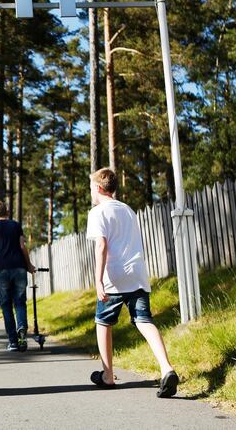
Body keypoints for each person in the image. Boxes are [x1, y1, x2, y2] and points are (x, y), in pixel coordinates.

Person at [85, 167, 178, 398]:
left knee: (103, 322)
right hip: (137, 274)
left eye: (91, 189)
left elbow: (101, 246)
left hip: (113, 276)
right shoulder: (127, 210)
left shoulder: (97, 212)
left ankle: (108, 375)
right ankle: (167, 368)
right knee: (144, 321)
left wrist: (98, 280)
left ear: (98, 188)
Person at [0, 200, 35, 352]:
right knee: (20, 302)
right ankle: (22, 333)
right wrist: (29, 265)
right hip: (19, 268)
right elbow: (22, 246)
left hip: (3, 270)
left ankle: (13, 341)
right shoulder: (16, 225)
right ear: (6, 212)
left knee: (6, 304)